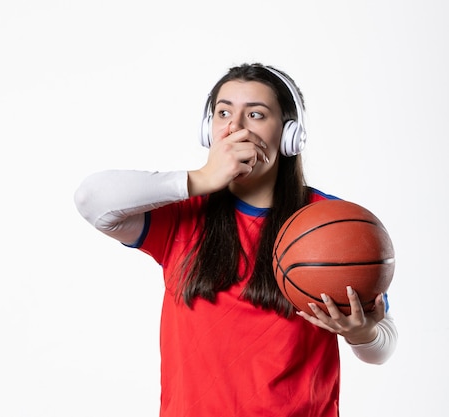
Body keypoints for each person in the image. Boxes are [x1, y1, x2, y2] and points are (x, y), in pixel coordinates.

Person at [73, 63, 397, 417]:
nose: (235, 128)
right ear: (207, 129)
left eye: (256, 114)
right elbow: (91, 199)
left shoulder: (329, 221)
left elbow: (383, 347)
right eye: (223, 112)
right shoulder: (182, 214)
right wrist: (201, 178)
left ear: (290, 135)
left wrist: (361, 333)